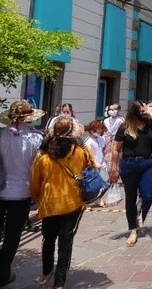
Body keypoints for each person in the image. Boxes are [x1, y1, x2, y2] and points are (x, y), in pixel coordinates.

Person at [0, 101, 44, 287]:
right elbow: (39, 167)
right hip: (22, 192)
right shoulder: (36, 139)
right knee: (13, 234)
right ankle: (2, 274)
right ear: (29, 118)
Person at [31, 117, 95, 289]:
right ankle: (59, 282)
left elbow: (35, 183)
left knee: (48, 239)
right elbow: (91, 169)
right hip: (72, 202)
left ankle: (46, 272)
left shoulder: (43, 156)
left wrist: (39, 200)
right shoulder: (79, 151)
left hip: (49, 203)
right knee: (65, 243)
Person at [108, 100, 152, 247]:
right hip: (129, 165)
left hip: (147, 164)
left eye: (144, 111)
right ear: (134, 112)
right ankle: (132, 230)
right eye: (141, 111)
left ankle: (140, 217)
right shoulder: (125, 127)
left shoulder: (149, 124)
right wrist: (113, 168)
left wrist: (151, 113)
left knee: (147, 196)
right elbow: (116, 149)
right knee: (130, 199)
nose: (143, 113)